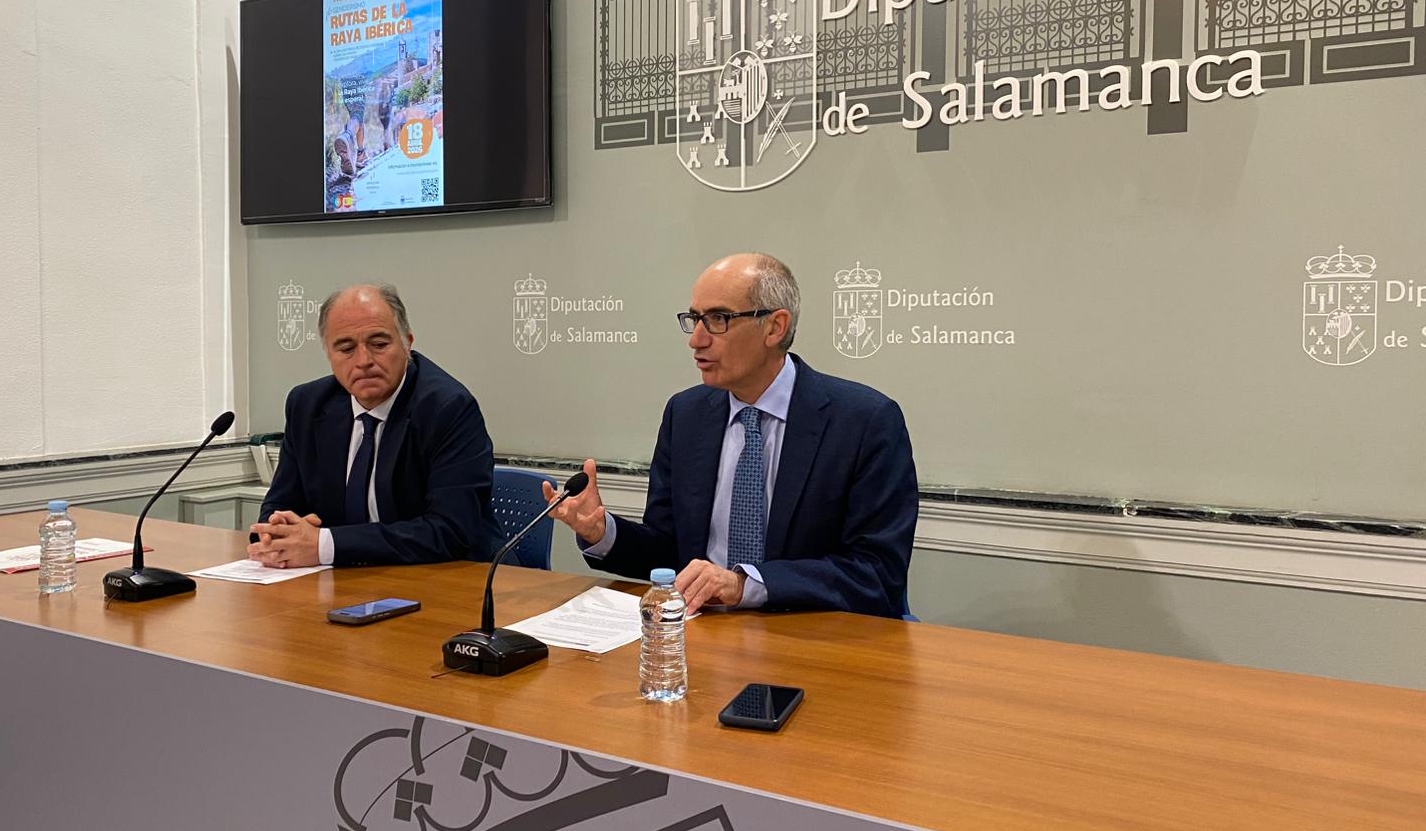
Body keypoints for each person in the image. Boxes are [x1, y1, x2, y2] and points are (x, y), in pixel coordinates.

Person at [546, 253, 917, 617]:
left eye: (718, 319)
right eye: (694, 319)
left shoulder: (864, 421)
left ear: (775, 327)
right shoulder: (686, 414)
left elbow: (876, 574)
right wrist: (602, 531)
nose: (696, 340)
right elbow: (669, 552)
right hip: (702, 637)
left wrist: (746, 585)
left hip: (810, 640)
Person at [248, 284, 503, 568]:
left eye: (379, 344)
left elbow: (450, 532)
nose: (364, 361)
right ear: (328, 354)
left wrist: (324, 545)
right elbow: (279, 505)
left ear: (407, 343)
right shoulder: (307, 406)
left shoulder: (447, 408)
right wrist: (279, 530)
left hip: (450, 580)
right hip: (343, 582)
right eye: (346, 348)